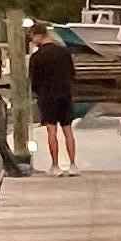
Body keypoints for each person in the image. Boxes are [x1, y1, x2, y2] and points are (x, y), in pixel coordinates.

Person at [25, 20, 78, 168]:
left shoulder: (37, 57)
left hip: (47, 96)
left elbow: (34, 81)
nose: (32, 40)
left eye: (32, 37)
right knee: (68, 131)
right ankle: (73, 165)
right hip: (65, 94)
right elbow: (72, 74)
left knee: (51, 131)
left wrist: (38, 92)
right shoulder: (64, 52)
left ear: (38, 36)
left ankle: (55, 165)